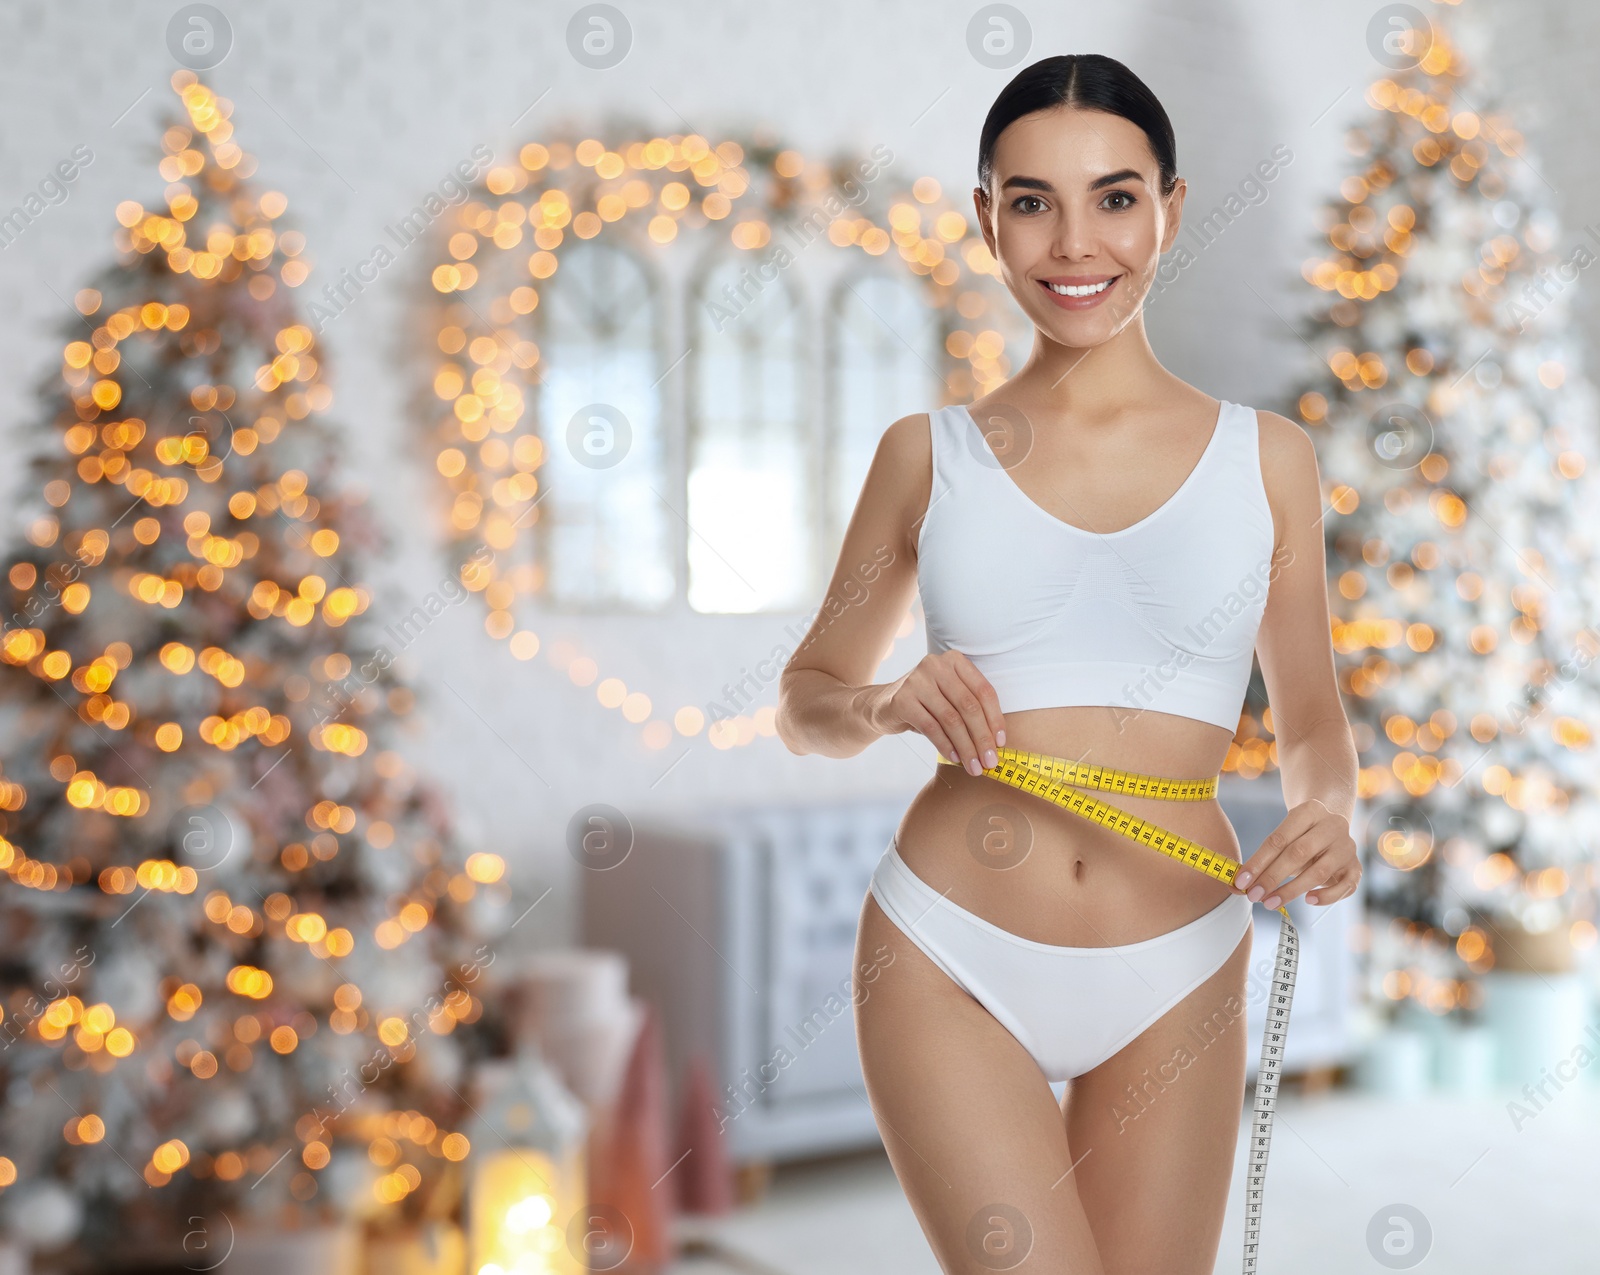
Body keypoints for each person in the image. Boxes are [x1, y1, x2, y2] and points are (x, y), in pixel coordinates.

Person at [775, 53, 1360, 1274]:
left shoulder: (1270, 460)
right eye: (1031, 200)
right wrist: (884, 701)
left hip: (1182, 958)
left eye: (1113, 196)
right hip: (950, 952)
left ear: (1171, 209)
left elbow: (1309, 710)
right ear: (986, 219)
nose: (1073, 242)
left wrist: (1330, 808)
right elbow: (804, 704)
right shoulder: (922, 455)